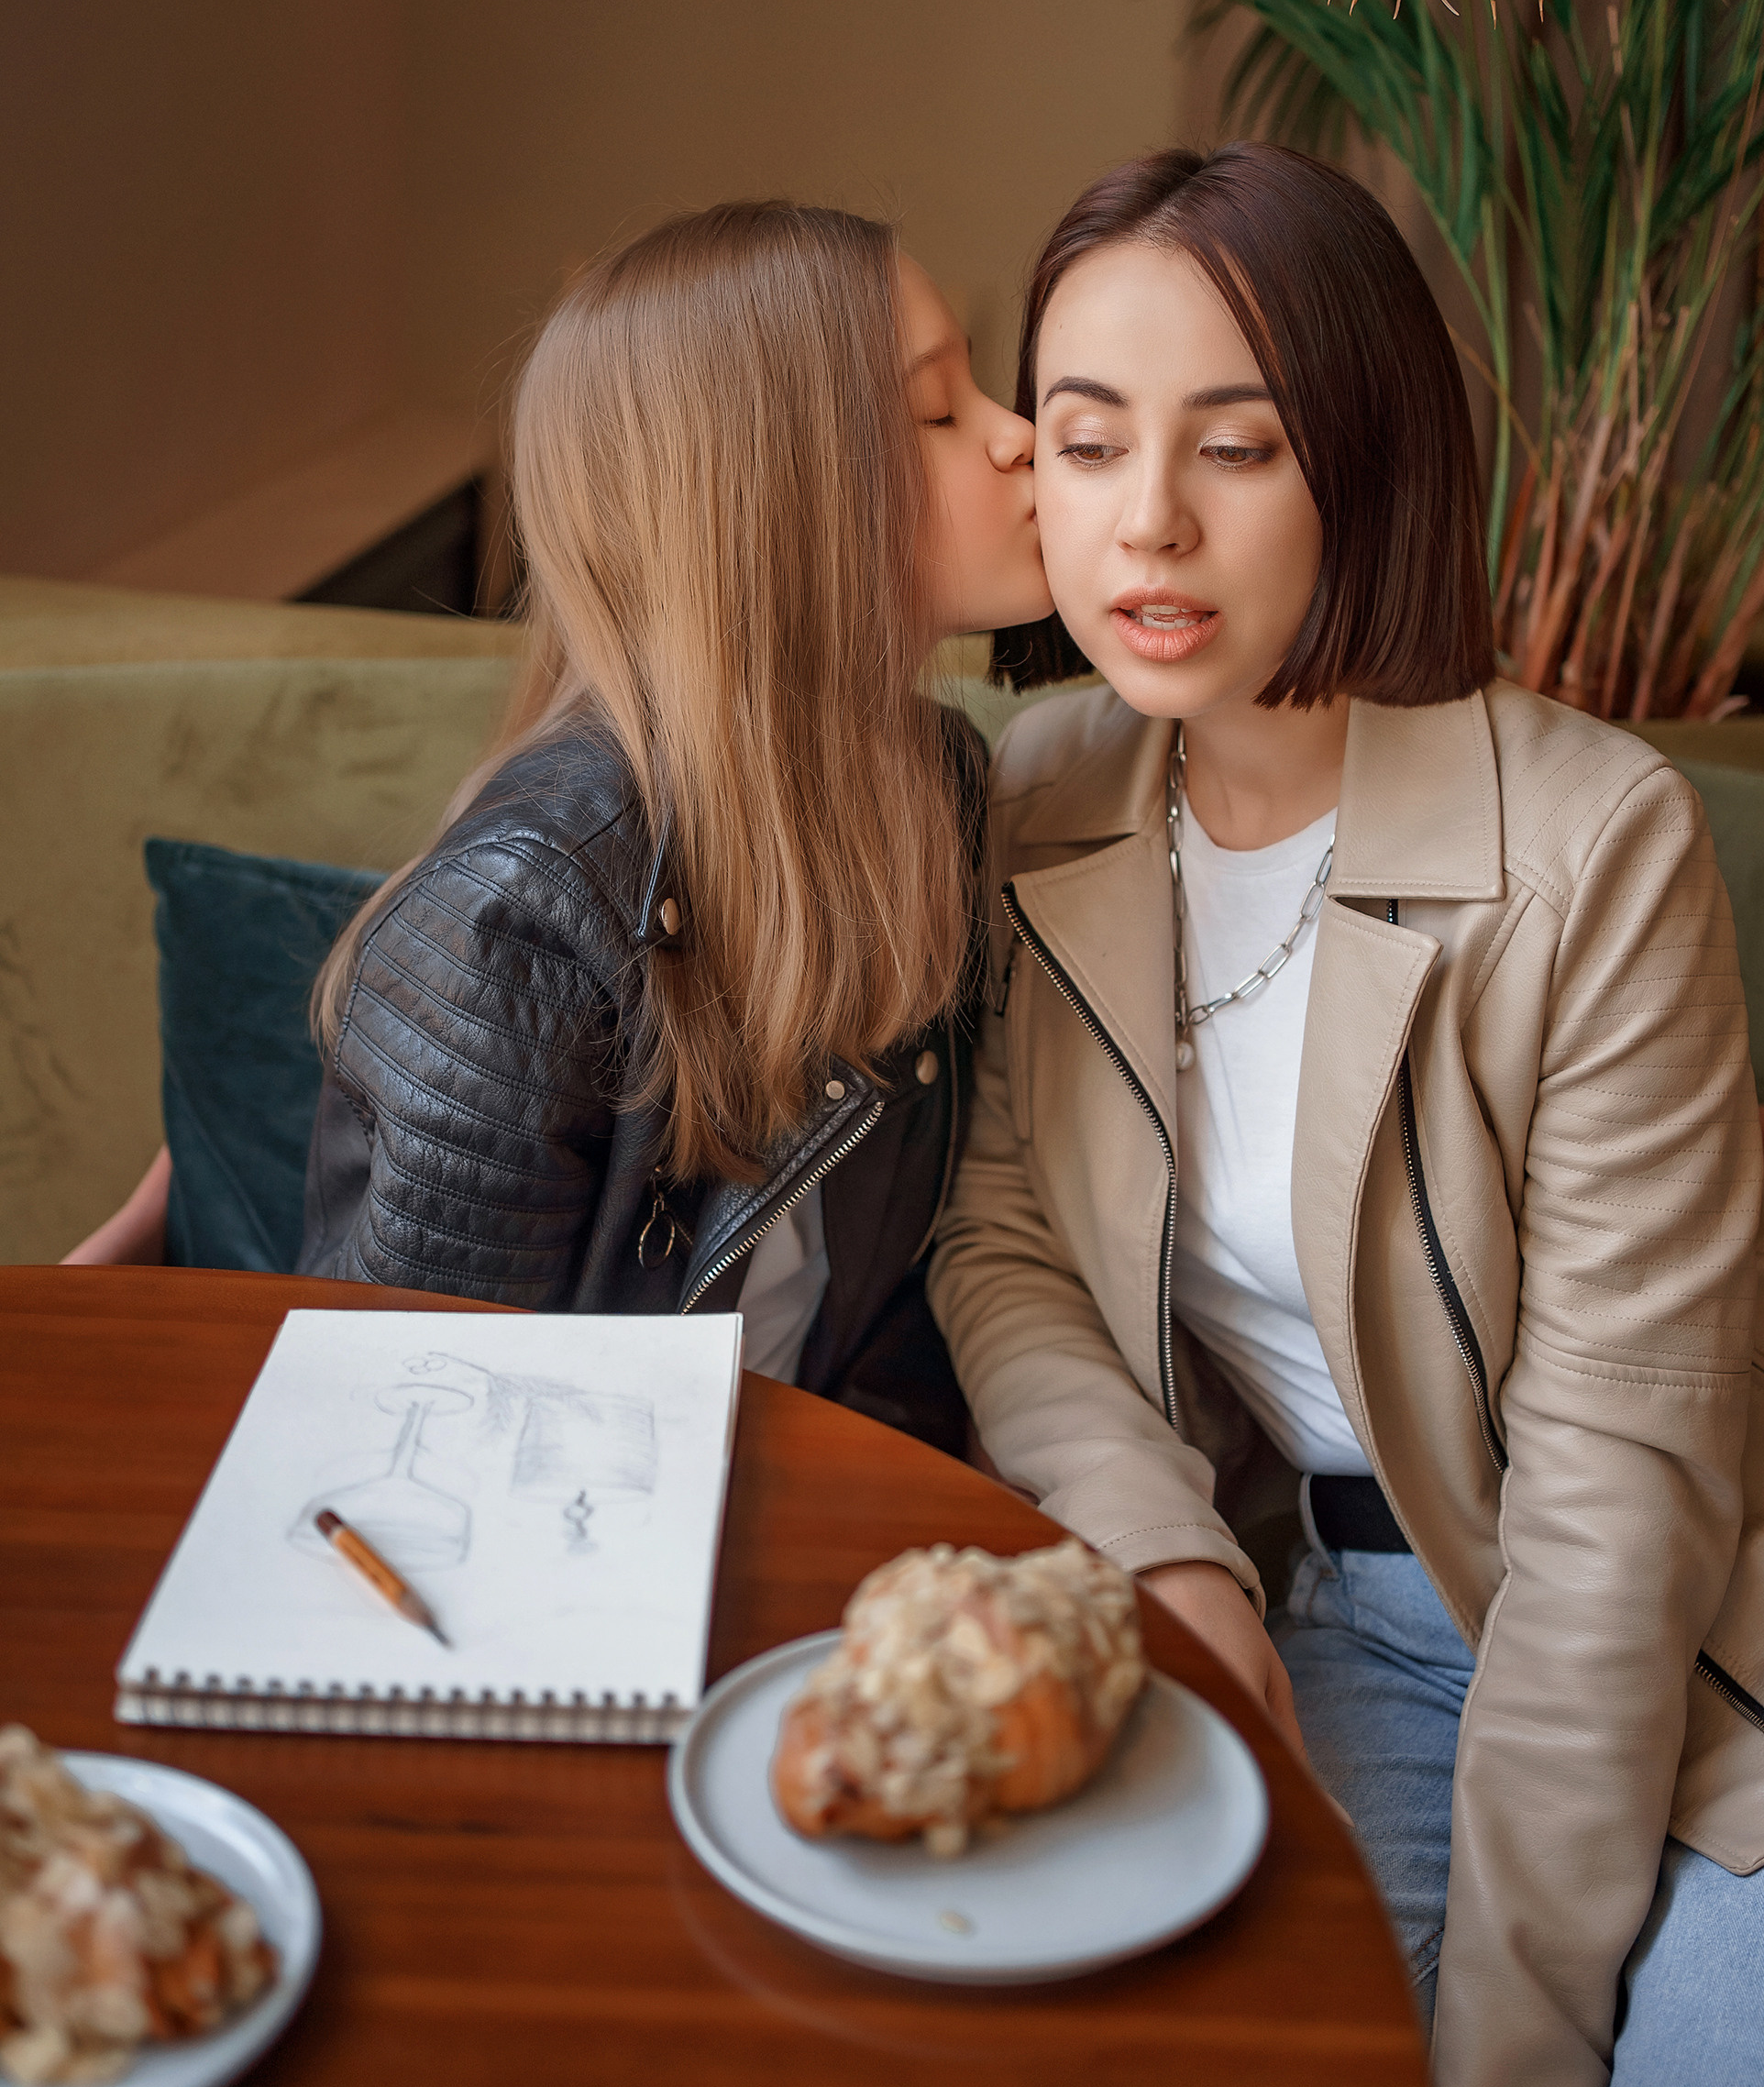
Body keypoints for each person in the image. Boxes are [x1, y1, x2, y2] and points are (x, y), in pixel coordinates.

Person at [929, 143, 1764, 2087]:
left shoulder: (1590, 842)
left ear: (1365, 462)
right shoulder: (1035, 801)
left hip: (1759, 1661)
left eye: (1235, 447)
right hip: (1357, 1629)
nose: (1147, 522)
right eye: (1086, 442)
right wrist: (1163, 1545)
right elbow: (997, 1243)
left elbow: (1620, 1512)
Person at [81, 200, 1051, 1452]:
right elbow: (417, 1426)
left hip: (814, 1490)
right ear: (774, 502)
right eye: (939, 413)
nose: (1024, 438)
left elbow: (897, 1297)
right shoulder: (526, 920)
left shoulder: (942, 787)